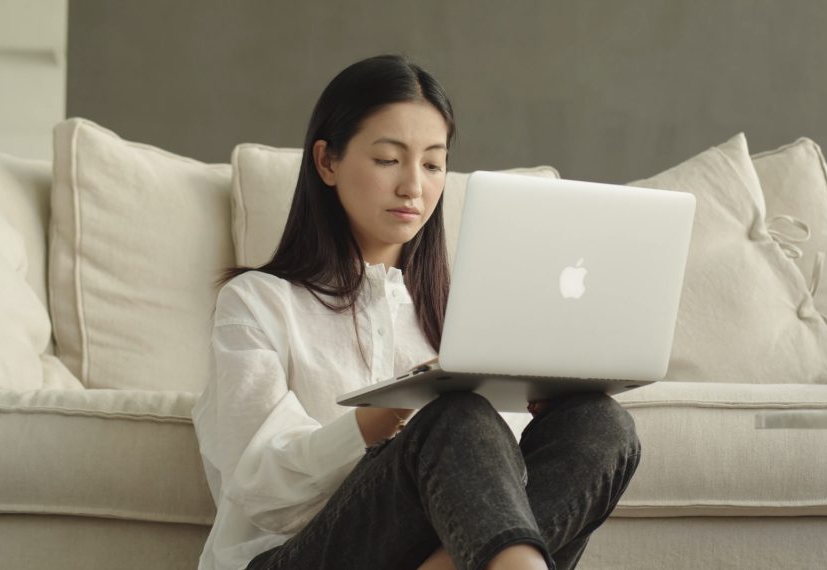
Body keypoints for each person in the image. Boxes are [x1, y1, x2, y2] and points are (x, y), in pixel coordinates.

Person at [191, 54, 641, 570]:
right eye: (388, 159)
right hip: (290, 558)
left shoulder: (464, 319)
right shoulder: (257, 302)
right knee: (454, 413)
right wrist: (378, 420)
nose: (413, 186)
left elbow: (496, 492)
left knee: (599, 424)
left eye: (432, 164)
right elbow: (261, 489)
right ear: (327, 162)